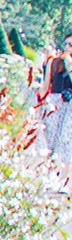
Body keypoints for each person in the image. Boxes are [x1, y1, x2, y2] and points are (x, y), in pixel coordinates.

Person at [39, 34, 72, 176]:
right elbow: (46, 86)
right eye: (66, 44)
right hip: (55, 101)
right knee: (50, 139)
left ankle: (64, 178)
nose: (68, 47)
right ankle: (48, 173)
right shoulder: (54, 62)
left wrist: (70, 66)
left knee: (66, 140)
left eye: (71, 45)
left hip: (69, 104)